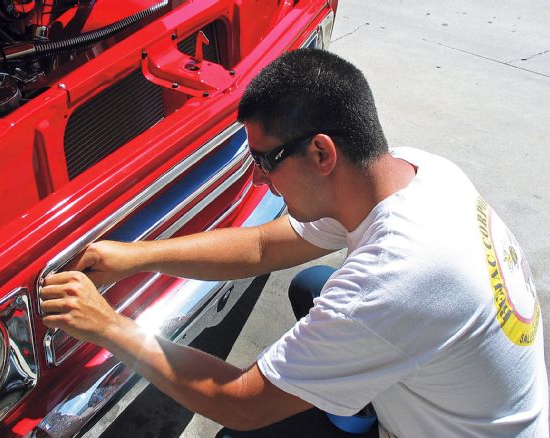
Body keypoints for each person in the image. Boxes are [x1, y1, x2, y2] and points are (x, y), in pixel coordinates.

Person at [40, 49, 548, 437]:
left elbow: (240, 401)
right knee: (311, 285)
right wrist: (136, 257)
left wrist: (109, 326)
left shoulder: (393, 278)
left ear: (321, 153)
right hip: (472, 391)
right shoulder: (411, 170)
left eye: (264, 161)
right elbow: (265, 247)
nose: (259, 181)